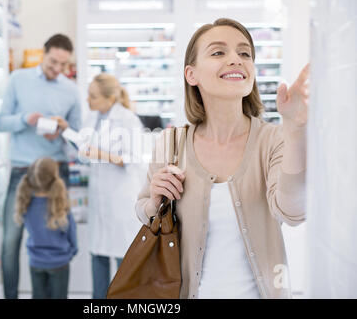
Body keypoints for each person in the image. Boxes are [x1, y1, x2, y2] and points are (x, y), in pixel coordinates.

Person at [136, 18, 310, 299]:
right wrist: (155, 202)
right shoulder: (171, 143)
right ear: (191, 75)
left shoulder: (273, 139)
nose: (236, 60)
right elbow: (143, 208)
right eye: (219, 52)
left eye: (245, 53)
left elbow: (293, 212)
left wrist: (295, 131)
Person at [0, 33, 81, 299]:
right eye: (53, 62)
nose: (57, 69)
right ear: (43, 54)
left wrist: (64, 131)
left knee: (55, 238)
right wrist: (24, 119)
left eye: (63, 65)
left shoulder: (71, 90)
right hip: (22, 172)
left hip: (54, 172)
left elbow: (79, 137)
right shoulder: (18, 79)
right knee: (11, 242)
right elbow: (0, 123)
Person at [80, 73, 144, 299]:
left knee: (123, 258)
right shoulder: (93, 117)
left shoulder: (127, 120)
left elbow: (134, 158)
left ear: (109, 98)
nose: (88, 100)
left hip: (120, 199)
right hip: (100, 198)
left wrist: (100, 154)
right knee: (97, 255)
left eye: (93, 96)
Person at [14, 157, 77, 299]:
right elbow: (72, 234)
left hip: (36, 262)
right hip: (60, 262)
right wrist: (71, 252)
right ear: (55, 177)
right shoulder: (61, 205)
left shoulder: (26, 204)